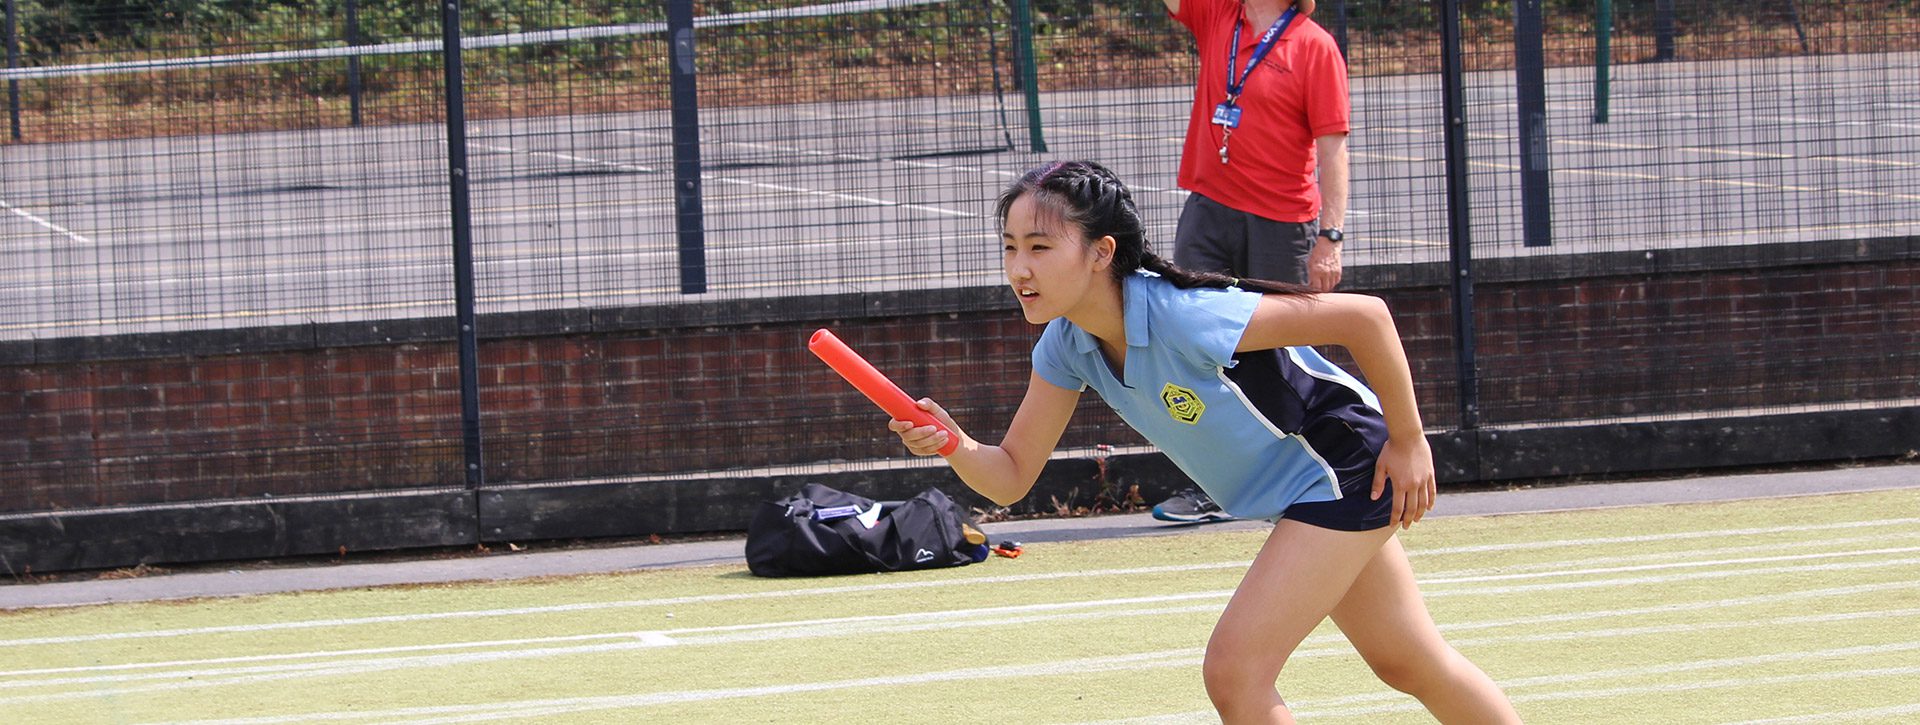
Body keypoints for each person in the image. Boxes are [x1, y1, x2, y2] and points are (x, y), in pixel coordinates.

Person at [886, 161, 1518, 724]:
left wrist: (1410, 441)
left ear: (1102, 252)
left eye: (1041, 246)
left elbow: (1365, 316)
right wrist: (951, 443)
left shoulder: (1184, 315)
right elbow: (1012, 475)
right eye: (1011, 247)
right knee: (1409, 663)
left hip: (1343, 469)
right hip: (1307, 488)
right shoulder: (1066, 344)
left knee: (1236, 672)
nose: (1020, 268)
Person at [1150, 0, 1353, 523]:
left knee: (1278, 356)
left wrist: (1329, 236)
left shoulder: (1314, 45)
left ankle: (1304, 477)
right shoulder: (1218, 13)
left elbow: (1333, 148)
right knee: (1191, 342)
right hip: (1209, 209)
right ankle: (1210, 485)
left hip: (1283, 220)